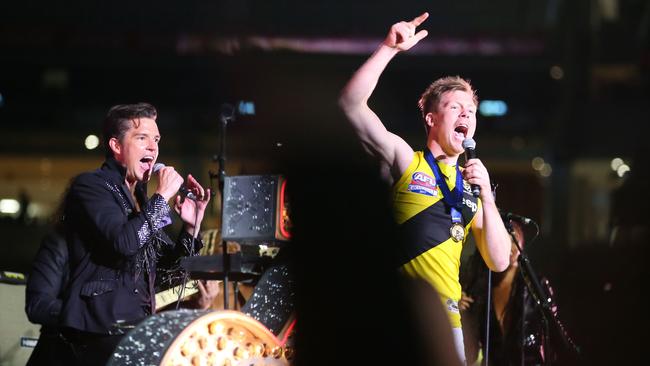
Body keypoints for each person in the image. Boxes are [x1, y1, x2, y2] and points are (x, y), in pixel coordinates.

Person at [338, 12, 511, 363]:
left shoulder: (471, 189)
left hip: (446, 327)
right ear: (432, 119)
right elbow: (349, 105)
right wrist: (389, 48)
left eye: (472, 111)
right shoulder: (407, 159)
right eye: (456, 107)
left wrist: (488, 200)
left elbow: (499, 259)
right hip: (397, 321)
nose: (466, 115)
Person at [58, 103, 211, 365]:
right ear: (116, 146)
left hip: (137, 327)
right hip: (100, 328)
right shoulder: (92, 186)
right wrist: (161, 197)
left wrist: (190, 225)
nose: (153, 147)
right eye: (142, 138)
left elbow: (168, 268)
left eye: (156, 139)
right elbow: (124, 243)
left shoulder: (140, 198)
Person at [460, 218, 579, 365]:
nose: (507, 248)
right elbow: (470, 356)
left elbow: (554, 339)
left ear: (519, 244)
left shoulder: (536, 286)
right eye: (500, 241)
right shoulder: (479, 290)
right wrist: (462, 316)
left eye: (510, 240)